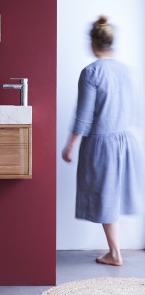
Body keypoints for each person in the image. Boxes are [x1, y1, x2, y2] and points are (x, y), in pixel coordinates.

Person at [62, 15, 142, 266]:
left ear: (93, 43)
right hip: (125, 141)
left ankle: (115, 253)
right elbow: (134, 109)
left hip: (102, 144)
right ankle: (114, 250)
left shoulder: (91, 72)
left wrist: (70, 145)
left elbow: (84, 116)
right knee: (112, 197)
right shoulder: (123, 70)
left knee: (105, 197)